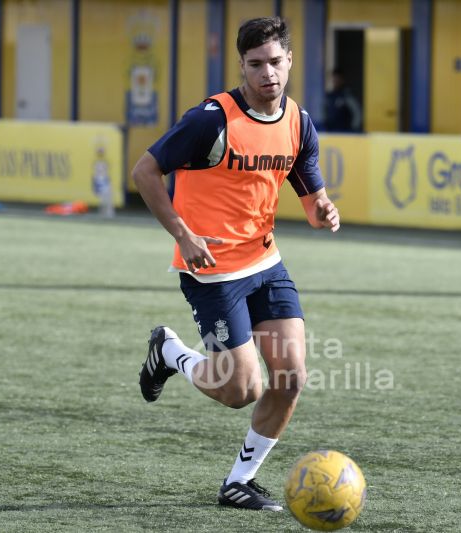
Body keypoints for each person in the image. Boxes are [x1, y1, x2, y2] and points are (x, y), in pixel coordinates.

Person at [131, 17, 340, 512]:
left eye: (275, 62)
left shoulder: (298, 122)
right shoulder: (211, 120)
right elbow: (145, 171)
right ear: (241, 66)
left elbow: (313, 202)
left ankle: (238, 482)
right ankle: (171, 353)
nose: (268, 73)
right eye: (256, 64)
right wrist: (183, 233)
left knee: (290, 378)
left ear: (290, 60)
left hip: (266, 262)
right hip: (212, 270)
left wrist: (324, 211)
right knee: (240, 389)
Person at [324, 67, 362, 132]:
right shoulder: (329, 96)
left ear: (342, 80)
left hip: (344, 133)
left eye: (338, 79)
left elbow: (357, 114)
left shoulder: (347, 96)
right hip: (330, 132)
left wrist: (353, 130)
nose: (335, 82)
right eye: (334, 79)